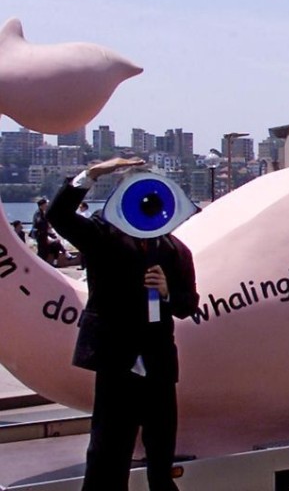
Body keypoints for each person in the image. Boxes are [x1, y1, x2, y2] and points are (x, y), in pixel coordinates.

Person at [47, 157, 200, 491]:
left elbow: (189, 305)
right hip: (117, 363)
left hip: (158, 366)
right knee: (107, 455)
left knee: (161, 458)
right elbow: (58, 217)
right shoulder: (103, 237)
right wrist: (92, 174)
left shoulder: (175, 251)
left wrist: (167, 292)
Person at [32, 197, 52, 264]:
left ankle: (40, 264)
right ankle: (38, 265)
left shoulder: (41, 212)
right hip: (40, 235)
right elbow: (39, 222)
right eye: (45, 204)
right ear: (42, 205)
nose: (46, 206)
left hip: (43, 234)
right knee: (42, 252)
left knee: (45, 251)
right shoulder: (38, 213)